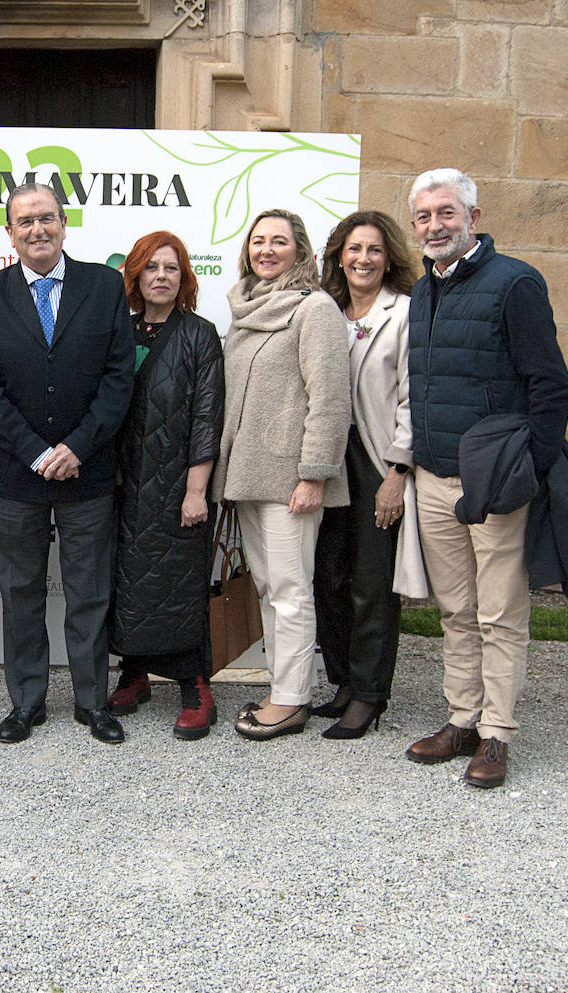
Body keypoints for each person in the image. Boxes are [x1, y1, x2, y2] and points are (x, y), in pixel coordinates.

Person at [402, 168, 568, 788]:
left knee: (499, 612)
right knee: (457, 610)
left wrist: (530, 467)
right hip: (435, 477)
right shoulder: (425, 291)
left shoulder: (515, 283)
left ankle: (497, 734)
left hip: (494, 481)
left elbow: (551, 385)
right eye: (423, 216)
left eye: (446, 212)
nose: (434, 225)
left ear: (473, 216)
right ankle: (461, 720)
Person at [0, 183, 136, 745]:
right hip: (16, 476)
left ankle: (92, 702)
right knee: (21, 593)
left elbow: (118, 378)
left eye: (47, 218)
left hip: (87, 471)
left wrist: (77, 447)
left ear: (64, 224)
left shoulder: (105, 286)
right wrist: (37, 451)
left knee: (89, 592)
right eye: (24, 222)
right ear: (9, 234)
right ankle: (27, 703)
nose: (37, 229)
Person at [212, 208, 350, 741]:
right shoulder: (246, 310)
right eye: (258, 242)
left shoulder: (314, 308)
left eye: (279, 242)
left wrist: (314, 474)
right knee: (270, 587)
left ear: (301, 252)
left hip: (293, 480)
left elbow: (330, 399)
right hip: (248, 476)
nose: (266, 250)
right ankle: (282, 686)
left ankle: (292, 700)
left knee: (291, 590)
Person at [312, 211, 428, 740]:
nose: (363, 259)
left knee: (371, 584)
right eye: (354, 249)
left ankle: (369, 695)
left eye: (374, 250)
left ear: (389, 259)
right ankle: (342, 681)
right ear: (339, 255)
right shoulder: (326, 312)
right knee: (328, 577)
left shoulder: (404, 313)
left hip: (377, 461)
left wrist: (397, 473)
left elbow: (413, 397)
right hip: (328, 461)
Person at [107, 231, 224, 740]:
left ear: (184, 278)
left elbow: (206, 416)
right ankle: (134, 673)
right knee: (126, 583)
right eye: (151, 267)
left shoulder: (199, 334)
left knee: (179, 583)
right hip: (121, 484)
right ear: (135, 275)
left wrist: (197, 489)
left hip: (178, 486)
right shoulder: (119, 331)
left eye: (171, 268)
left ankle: (196, 685)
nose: (161, 276)